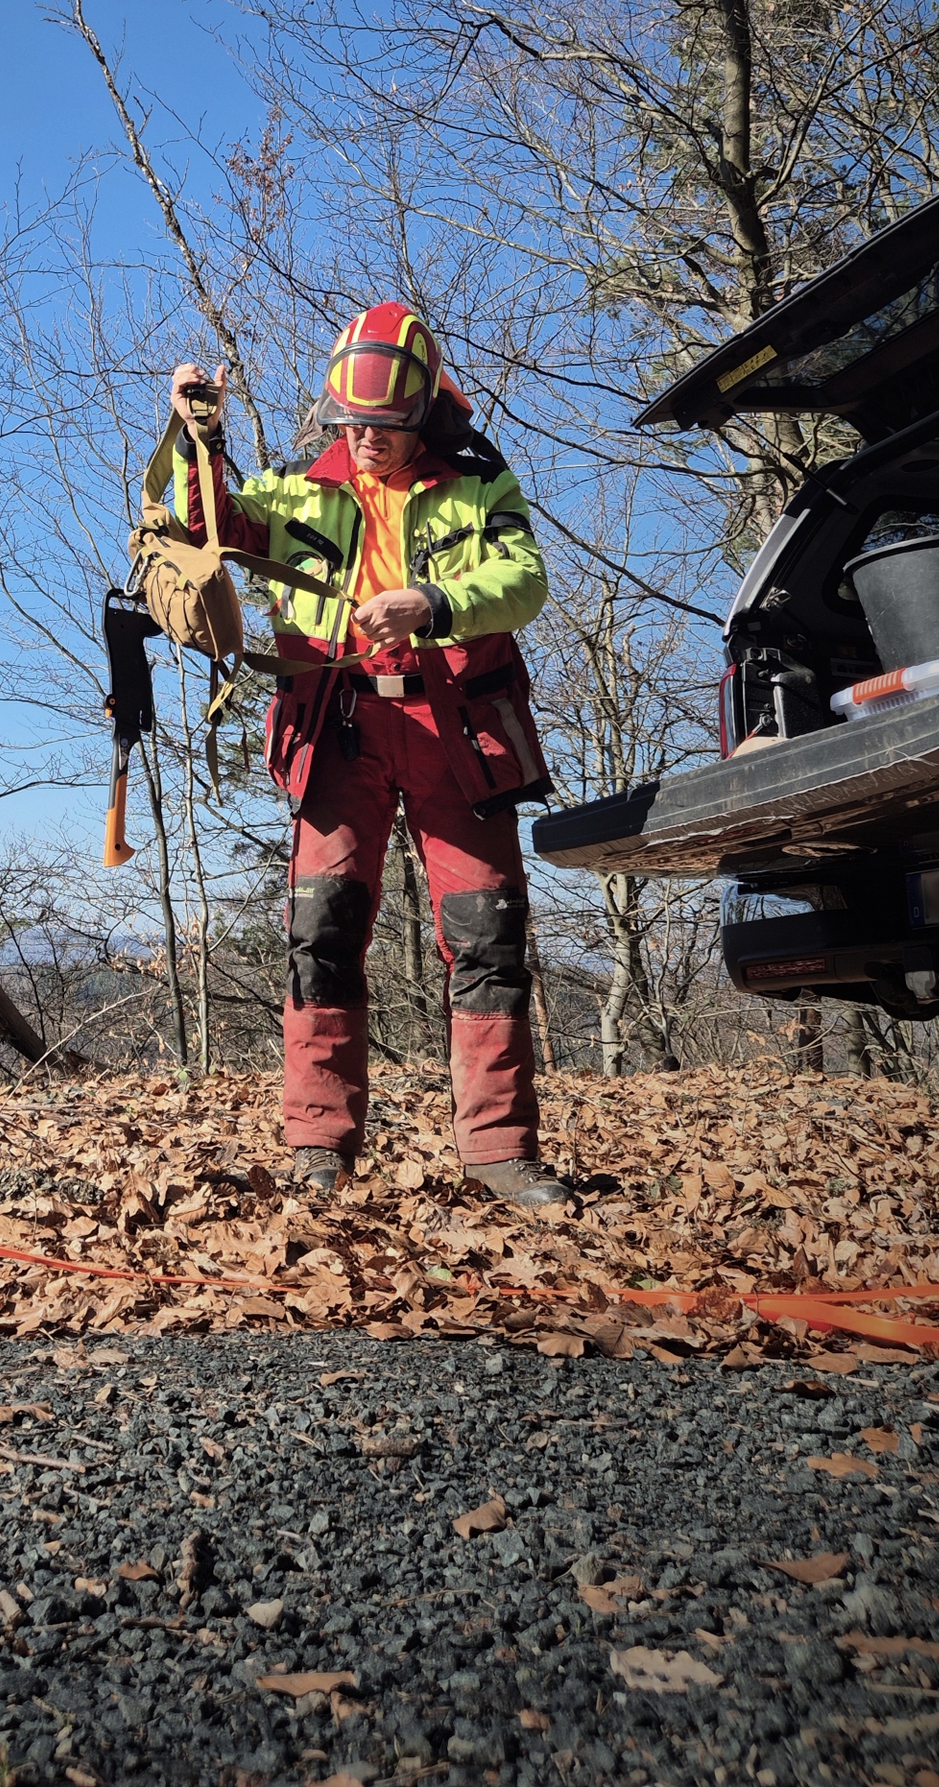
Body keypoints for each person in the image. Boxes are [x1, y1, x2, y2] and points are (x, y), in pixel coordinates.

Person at [166, 305, 571, 1209]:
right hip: (339, 731)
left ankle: (500, 1152)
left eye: (383, 428)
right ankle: (320, 1146)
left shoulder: (478, 485)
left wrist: (431, 600)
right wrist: (202, 433)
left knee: (487, 936)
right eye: (351, 425)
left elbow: (525, 583)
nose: (366, 442)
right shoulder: (299, 486)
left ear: (420, 409)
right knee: (323, 933)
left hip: (456, 736)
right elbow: (209, 525)